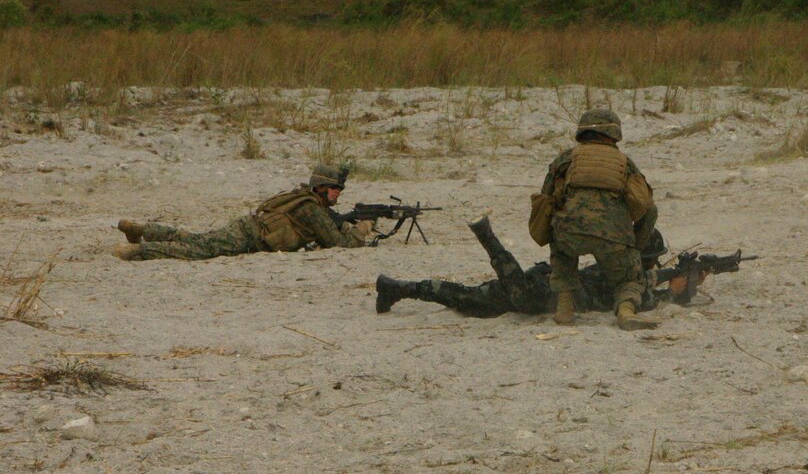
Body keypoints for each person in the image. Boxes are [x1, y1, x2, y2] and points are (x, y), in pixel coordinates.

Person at [375, 216, 692, 319]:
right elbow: (645, 298)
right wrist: (677, 294)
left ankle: (398, 288)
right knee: (510, 293)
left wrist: (668, 275)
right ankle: (488, 238)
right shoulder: (625, 281)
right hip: (539, 296)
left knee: (463, 297)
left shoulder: (613, 265)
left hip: (543, 282)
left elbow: (644, 279)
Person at [530, 108, 658, 330]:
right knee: (629, 278)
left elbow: (545, 201)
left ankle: (565, 308)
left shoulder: (565, 159)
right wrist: (634, 248)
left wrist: (551, 232)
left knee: (561, 249)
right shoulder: (624, 163)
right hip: (613, 237)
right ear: (614, 135)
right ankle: (626, 310)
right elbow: (648, 208)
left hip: (570, 234)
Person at [112, 164, 374, 261]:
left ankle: (143, 230)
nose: (338, 192)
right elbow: (336, 243)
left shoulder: (304, 199)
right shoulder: (312, 209)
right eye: (334, 188)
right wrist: (361, 231)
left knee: (195, 239)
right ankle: (139, 251)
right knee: (198, 250)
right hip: (249, 237)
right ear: (321, 188)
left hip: (248, 227)